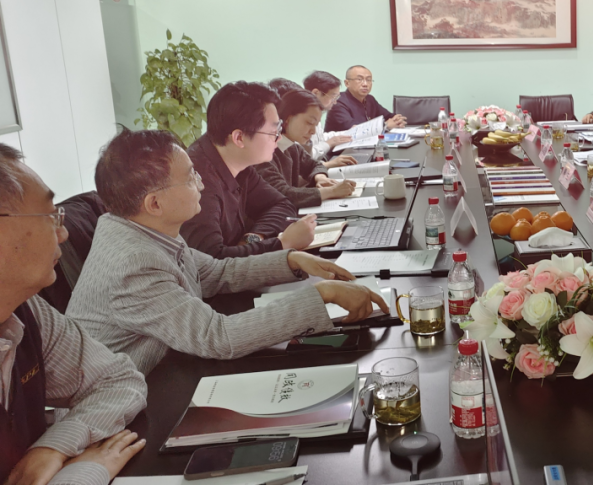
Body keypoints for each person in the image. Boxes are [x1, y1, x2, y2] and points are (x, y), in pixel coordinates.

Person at [67, 129, 389, 375]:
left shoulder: (144, 228)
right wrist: (322, 294)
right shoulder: (133, 263)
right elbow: (217, 337)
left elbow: (214, 273)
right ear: (154, 203)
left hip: (166, 369)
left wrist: (291, 259)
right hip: (124, 411)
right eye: (190, 177)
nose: (201, 183)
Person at [0, 144, 147, 485]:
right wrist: (87, 470)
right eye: (50, 216)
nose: (63, 233)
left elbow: (118, 380)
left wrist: (54, 446)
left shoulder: (25, 310)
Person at [182, 81, 317, 259]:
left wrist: (253, 238)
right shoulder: (197, 182)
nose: (278, 138)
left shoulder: (236, 160)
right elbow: (212, 261)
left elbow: (281, 205)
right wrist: (283, 243)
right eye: (273, 132)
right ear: (239, 138)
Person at [254, 90, 356, 208]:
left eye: (315, 125)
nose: (313, 131)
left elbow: (314, 165)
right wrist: (331, 191)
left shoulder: (292, 147)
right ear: (287, 119)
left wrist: (320, 178)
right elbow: (281, 194)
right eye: (309, 123)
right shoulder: (264, 154)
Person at [325, 65, 407, 133]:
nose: (365, 84)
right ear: (347, 83)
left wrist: (397, 119)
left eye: (369, 80)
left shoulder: (370, 99)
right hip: (342, 147)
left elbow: (388, 116)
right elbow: (354, 130)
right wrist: (385, 125)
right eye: (359, 79)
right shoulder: (337, 102)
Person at [303, 70, 355, 164]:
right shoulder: (302, 116)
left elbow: (319, 138)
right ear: (315, 93)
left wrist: (349, 133)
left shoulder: (316, 112)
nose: (335, 102)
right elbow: (304, 156)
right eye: (333, 97)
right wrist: (329, 144)